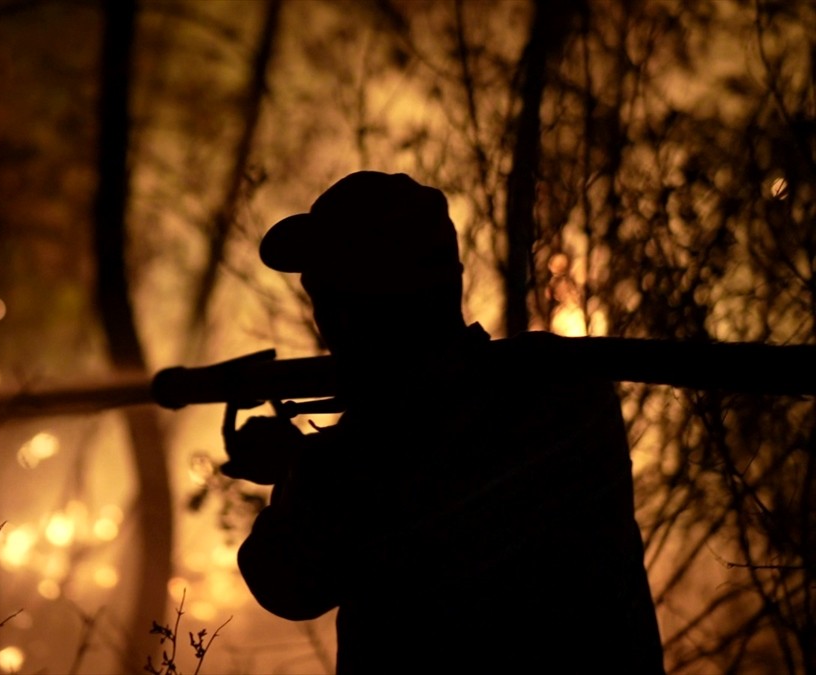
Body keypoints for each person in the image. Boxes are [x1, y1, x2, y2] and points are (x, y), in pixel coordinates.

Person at [222, 171, 665, 674]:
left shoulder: (371, 448)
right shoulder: (561, 382)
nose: (327, 315)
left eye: (334, 291)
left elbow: (288, 581)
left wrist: (298, 468)